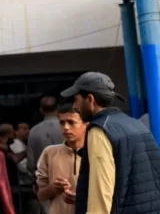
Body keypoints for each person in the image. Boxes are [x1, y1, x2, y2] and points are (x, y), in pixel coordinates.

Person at [60, 71, 160, 213]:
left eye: (76, 100)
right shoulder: (135, 124)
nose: (75, 106)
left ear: (90, 99)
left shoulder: (100, 129)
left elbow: (101, 190)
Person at [35, 105, 86, 214]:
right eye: (62, 123)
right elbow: (41, 195)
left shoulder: (96, 153)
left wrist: (82, 200)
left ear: (86, 124)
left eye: (71, 122)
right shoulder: (49, 153)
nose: (66, 127)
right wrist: (53, 188)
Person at [27, 96, 64, 176]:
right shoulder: (66, 128)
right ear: (58, 108)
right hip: (66, 176)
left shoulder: (34, 131)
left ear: (41, 110)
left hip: (44, 177)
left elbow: (30, 163)